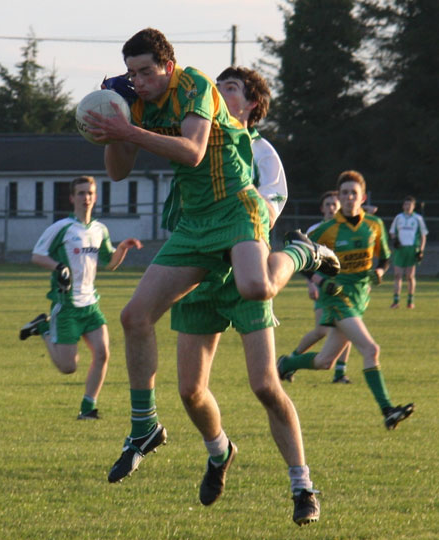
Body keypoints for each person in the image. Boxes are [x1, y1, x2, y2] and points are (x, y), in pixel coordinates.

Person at [84, 28, 339, 496]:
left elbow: (194, 151)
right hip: (193, 225)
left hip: (234, 208)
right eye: (132, 73)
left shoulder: (196, 85)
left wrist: (128, 130)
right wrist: (112, 124)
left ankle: (302, 251)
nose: (138, 81)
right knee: (134, 316)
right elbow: (117, 173)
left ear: (169, 65)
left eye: (146, 72)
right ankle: (145, 426)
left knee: (256, 288)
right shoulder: (135, 101)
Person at [164, 67, 318, 526]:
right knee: (191, 391)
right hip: (199, 271)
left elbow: (261, 211)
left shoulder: (261, 152)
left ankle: (302, 485)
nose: (218, 93)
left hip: (242, 271)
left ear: (252, 104)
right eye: (217, 87)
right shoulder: (196, 137)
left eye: (229, 88)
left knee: (265, 386)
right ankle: (219, 451)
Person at [277, 170, 414, 430]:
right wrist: (318, 281)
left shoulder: (374, 225)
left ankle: (286, 363)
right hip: (338, 298)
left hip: (361, 298)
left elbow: (384, 257)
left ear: (362, 197)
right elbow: (296, 252)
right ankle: (387, 410)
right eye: (344, 193)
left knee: (325, 362)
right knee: (371, 349)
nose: (349, 197)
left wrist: (381, 271)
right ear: (339, 197)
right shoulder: (328, 229)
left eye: (354, 193)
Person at [19, 175, 142, 419]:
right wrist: (59, 268)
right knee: (68, 367)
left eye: (90, 193)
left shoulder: (99, 230)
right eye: (81, 193)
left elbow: (109, 263)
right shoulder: (61, 227)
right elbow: (37, 255)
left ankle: (88, 408)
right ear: (72, 197)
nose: (86, 198)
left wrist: (122, 249)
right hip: (66, 306)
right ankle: (43, 327)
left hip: (91, 305)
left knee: (103, 353)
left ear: (95, 198)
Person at [292, 193, 379, 384]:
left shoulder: (353, 228)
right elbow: (305, 261)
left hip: (349, 293)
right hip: (326, 291)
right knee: (322, 331)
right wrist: (313, 284)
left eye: (334, 204)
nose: (332, 207)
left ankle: (338, 372)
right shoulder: (317, 230)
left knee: (340, 330)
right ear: (322, 208)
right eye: (328, 204)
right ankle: (291, 361)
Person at [389, 195, 428, 309]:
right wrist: (395, 239)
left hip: (412, 249)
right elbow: (392, 232)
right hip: (400, 250)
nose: (407, 207)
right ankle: (396, 301)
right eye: (406, 204)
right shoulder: (398, 218)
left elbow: (423, 236)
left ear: (413, 206)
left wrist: (421, 250)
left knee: (410, 276)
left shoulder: (418, 219)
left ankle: (410, 301)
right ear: (403, 206)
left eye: (409, 205)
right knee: (397, 275)